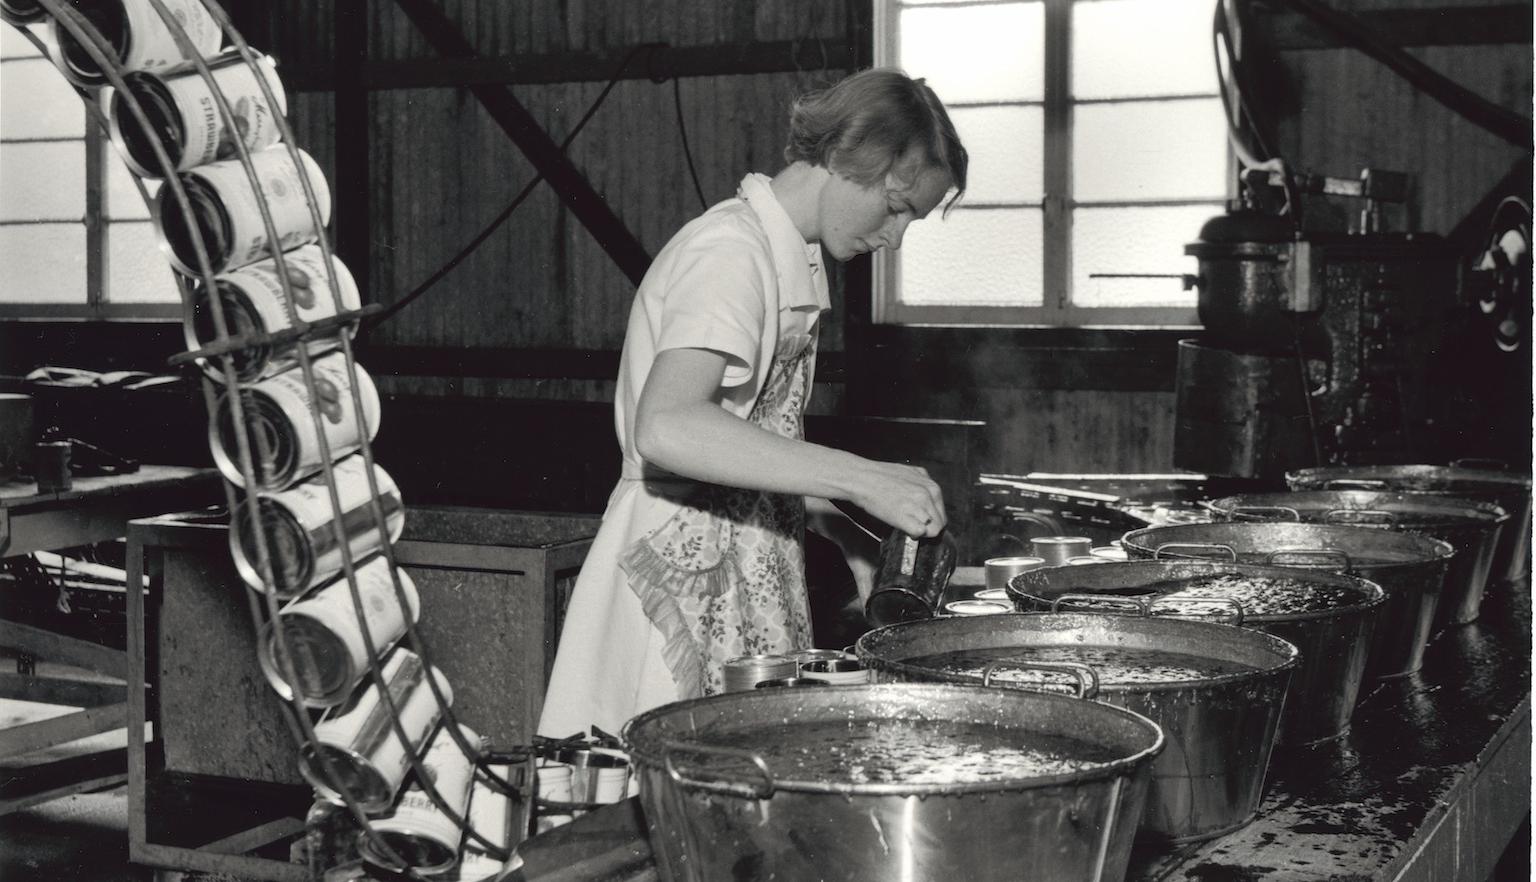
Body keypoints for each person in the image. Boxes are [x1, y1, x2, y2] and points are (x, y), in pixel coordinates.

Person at [537, 68, 969, 738]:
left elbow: (750, 440)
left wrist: (841, 527)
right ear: (848, 158)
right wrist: (861, 476)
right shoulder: (730, 252)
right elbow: (668, 426)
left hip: (747, 570)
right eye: (896, 206)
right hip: (678, 585)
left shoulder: (789, 258)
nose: (896, 237)